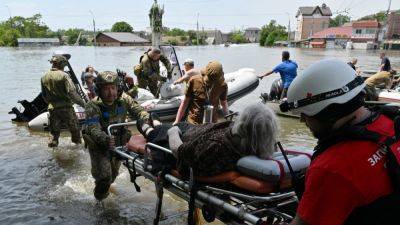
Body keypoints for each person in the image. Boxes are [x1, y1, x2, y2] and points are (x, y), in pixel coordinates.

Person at [281, 59, 400, 225]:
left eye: (305, 114)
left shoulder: (332, 169)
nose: (302, 120)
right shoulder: (391, 121)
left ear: (327, 112)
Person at [138, 103, 278, 178]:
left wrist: (173, 132)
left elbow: (178, 151)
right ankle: (156, 124)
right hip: (195, 130)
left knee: (161, 132)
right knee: (169, 127)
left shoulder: (216, 146)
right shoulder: (261, 147)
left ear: (242, 123)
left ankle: (149, 128)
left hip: (184, 136)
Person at [83, 71, 156, 201]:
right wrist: (105, 139)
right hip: (100, 144)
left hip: (118, 142)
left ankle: (103, 188)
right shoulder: (92, 106)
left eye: (113, 88)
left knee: (113, 174)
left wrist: (146, 119)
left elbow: (139, 111)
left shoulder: (124, 100)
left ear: (118, 88)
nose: (111, 93)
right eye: (106, 89)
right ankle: (99, 200)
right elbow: (93, 128)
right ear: (99, 90)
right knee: (105, 177)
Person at [41, 55, 86, 147]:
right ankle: (76, 155)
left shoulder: (44, 77)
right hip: (66, 108)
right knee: (75, 132)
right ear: (61, 63)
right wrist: (84, 104)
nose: (65, 66)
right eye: (64, 64)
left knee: (54, 135)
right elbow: (72, 94)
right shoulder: (64, 75)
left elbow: (44, 96)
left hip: (52, 108)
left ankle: (54, 157)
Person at [173, 61, 229, 125]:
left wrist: (228, 118)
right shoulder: (193, 80)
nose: (211, 83)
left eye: (214, 81)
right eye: (209, 80)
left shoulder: (222, 85)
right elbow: (185, 102)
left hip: (212, 124)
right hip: (194, 123)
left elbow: (224, 103)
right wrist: (177, 121)